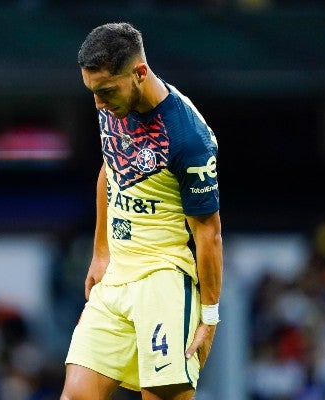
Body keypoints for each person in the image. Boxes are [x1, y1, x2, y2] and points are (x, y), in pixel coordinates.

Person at [61, 22, 223, 400]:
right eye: (92, 93)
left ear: (139, 73)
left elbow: (208, 233)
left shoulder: (188, 137)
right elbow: (109, 169)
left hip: (164, 279)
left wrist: (210, 316)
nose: (99, 103)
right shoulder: (112, 103)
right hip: (116, 278)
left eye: (105, 91)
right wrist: (100, 253)